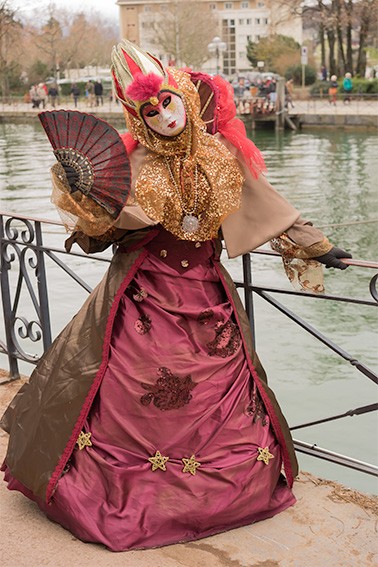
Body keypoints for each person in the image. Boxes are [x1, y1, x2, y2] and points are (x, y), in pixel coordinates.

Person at [1, 39, 352, 552]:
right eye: (149, 110)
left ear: (183, 93)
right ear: (135, 116)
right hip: (141, 293)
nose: (163, 116)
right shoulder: (128, 164)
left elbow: (269, 208)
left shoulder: (219, 151)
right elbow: (100, 237)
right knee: (132, 395)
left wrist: (317, 247)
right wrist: (88, 203)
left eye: (168, 101)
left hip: (208, 292)